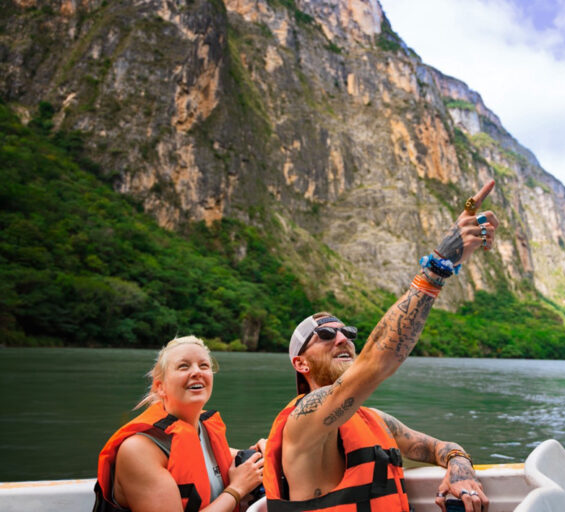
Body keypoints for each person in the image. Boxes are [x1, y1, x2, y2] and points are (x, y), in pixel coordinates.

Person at [263, 181, 498, 512]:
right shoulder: (304, 420)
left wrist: (460, 470)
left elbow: (439, 448)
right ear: (301, 364)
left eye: (347, 332)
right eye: (326, 336)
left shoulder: (376, 421)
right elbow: (377, 361)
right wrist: (439, 265)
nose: (343, 338)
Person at [93, 336, 265, 512]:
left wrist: (266, 451)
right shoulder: (139, 450)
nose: (197, 372)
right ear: (160, 386)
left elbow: (213, 457)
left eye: (204, 365)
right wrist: (236, 490)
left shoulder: (203, 431)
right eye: (184, 366)